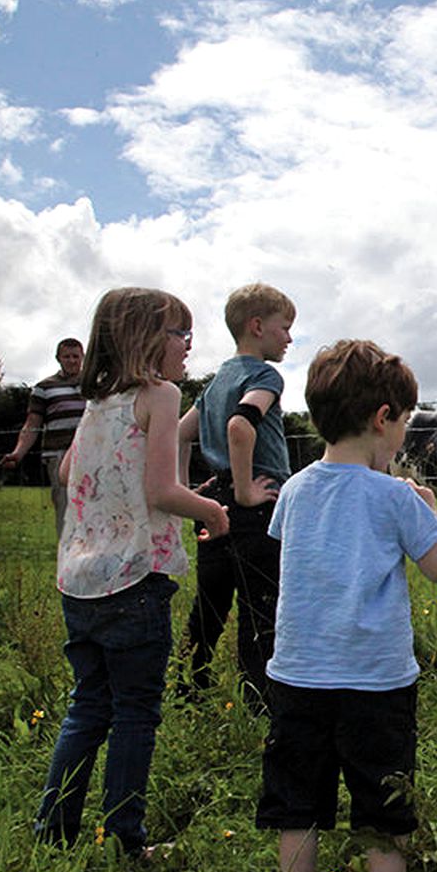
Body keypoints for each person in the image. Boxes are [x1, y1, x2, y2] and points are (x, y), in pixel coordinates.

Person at [34, 288, 230, 858]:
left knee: (87, 705)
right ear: (147, 340)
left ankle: (55, 831)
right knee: (136, 713)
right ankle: (125, 840)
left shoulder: (97, 402)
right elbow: (160, 489)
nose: (188, 346)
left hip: (80, 578)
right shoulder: (160, 396)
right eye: (180, 335)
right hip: (135, 581)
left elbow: (72, 472)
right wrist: (210, 511)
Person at [256, 339, 437, 872]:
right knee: (383, 807)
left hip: (298, 676)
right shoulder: (396, 497)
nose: (405, 431)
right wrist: (429, 511)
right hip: (377, 682)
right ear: (383, 417)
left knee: (297, 803)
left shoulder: (293, 490)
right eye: (405, 420)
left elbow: (288, 547)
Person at [177, 283, 295, 711]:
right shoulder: (264, 376)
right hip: (253, 506)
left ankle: (189, 687)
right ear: (257, 326)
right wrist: (246, 490)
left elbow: (178, 434)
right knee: (258, 605)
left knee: (209, 603)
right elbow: (241, 427)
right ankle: (258, 701)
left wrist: (183, 488)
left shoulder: (214, 383)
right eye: (284, 328)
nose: (289, 338)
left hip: (213, 505)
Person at [1, 338, 86, 536]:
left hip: (92, 453)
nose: (72, 361)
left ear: (83, 357)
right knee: (65, 510)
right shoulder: (44, 388)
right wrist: (17, 453)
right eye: (67, 356)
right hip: (58, 455)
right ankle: (66, 558)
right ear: (58, 359)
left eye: (76, 356)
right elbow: (32, 425)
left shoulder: (96, 385)